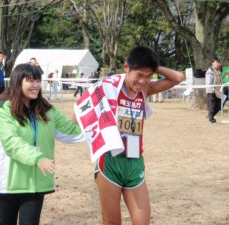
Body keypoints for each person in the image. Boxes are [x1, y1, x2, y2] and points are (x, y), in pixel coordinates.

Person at [74, 46, 184, 225]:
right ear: (126, 68)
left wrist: (153, 66)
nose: (143, 81)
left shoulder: (144, 91)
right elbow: (78, 114)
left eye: (149, 76)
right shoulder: (107, 88)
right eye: (139, 75)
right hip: (110, 160)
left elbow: (178, 78)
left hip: (134, 159)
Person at [0, 63, 84, 225]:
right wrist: (38, 158)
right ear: (18, 82)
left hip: (34, 185)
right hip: (6, 184)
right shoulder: (1, 109)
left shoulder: (46, 110)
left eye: (38, 81)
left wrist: (93, 118)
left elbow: (72, 131)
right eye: (30, 81)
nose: (36, 85)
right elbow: (11, 143)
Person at [206, 57, 222, 124]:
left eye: (218, 63)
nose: (218, 64)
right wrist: (212, 90)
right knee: (212, 106)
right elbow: (209, 82)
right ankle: (211, 120)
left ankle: (209, 115)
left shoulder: (219, 71)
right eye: (216, 62)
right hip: (211, 91)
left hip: (218, 91)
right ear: (212, 63)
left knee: (219, 106)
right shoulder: (210, 71)